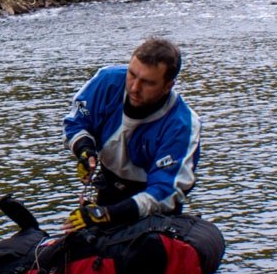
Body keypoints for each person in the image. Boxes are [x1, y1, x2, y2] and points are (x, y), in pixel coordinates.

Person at [63, 36, 202, 232]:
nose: (134, 88)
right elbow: (78, 119)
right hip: (110, 186)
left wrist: (109, 214)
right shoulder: (107, 81)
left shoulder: (182, 125)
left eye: (148, 83)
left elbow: (165, 191)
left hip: (151, 208)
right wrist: (85, 150)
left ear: (168, 86)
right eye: (132, 74)